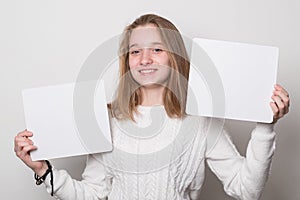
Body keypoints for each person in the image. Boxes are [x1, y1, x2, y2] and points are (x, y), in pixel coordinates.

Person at [14, 14, 290, 200]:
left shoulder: (203, 122)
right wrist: (43, 171)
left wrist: (265, 126)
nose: (145, 59)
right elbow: (93, 193)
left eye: (157, 49)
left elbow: (247, 190)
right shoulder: (106, 118)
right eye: (135, 51)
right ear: (127, 61)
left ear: (175, 58)